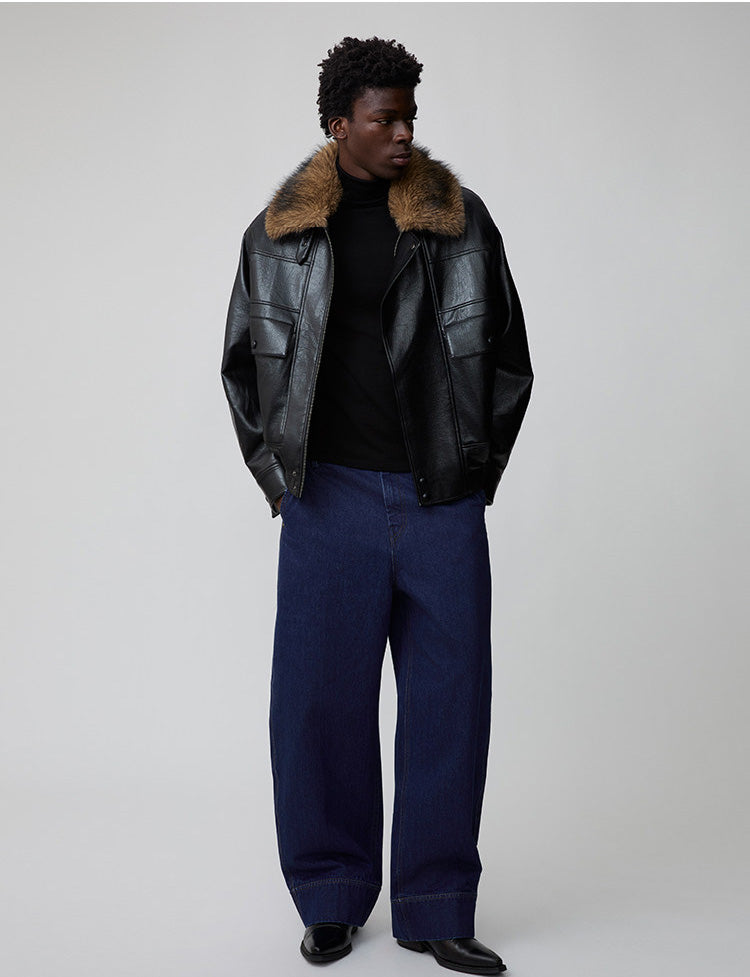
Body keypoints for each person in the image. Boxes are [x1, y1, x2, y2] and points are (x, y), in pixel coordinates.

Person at [221, 35, 533, 975]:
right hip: (329, 499)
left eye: (410, 117)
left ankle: (437, 906)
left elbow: (509, 359)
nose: (403, 134)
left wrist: (473, 471)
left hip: (441, 499)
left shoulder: (460, 223)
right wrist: (283, 484)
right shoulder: (278, 235)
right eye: (384, 118)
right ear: (338, 124)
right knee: (318, 707)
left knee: (450, 703)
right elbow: (241, 367)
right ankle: (329, 895)